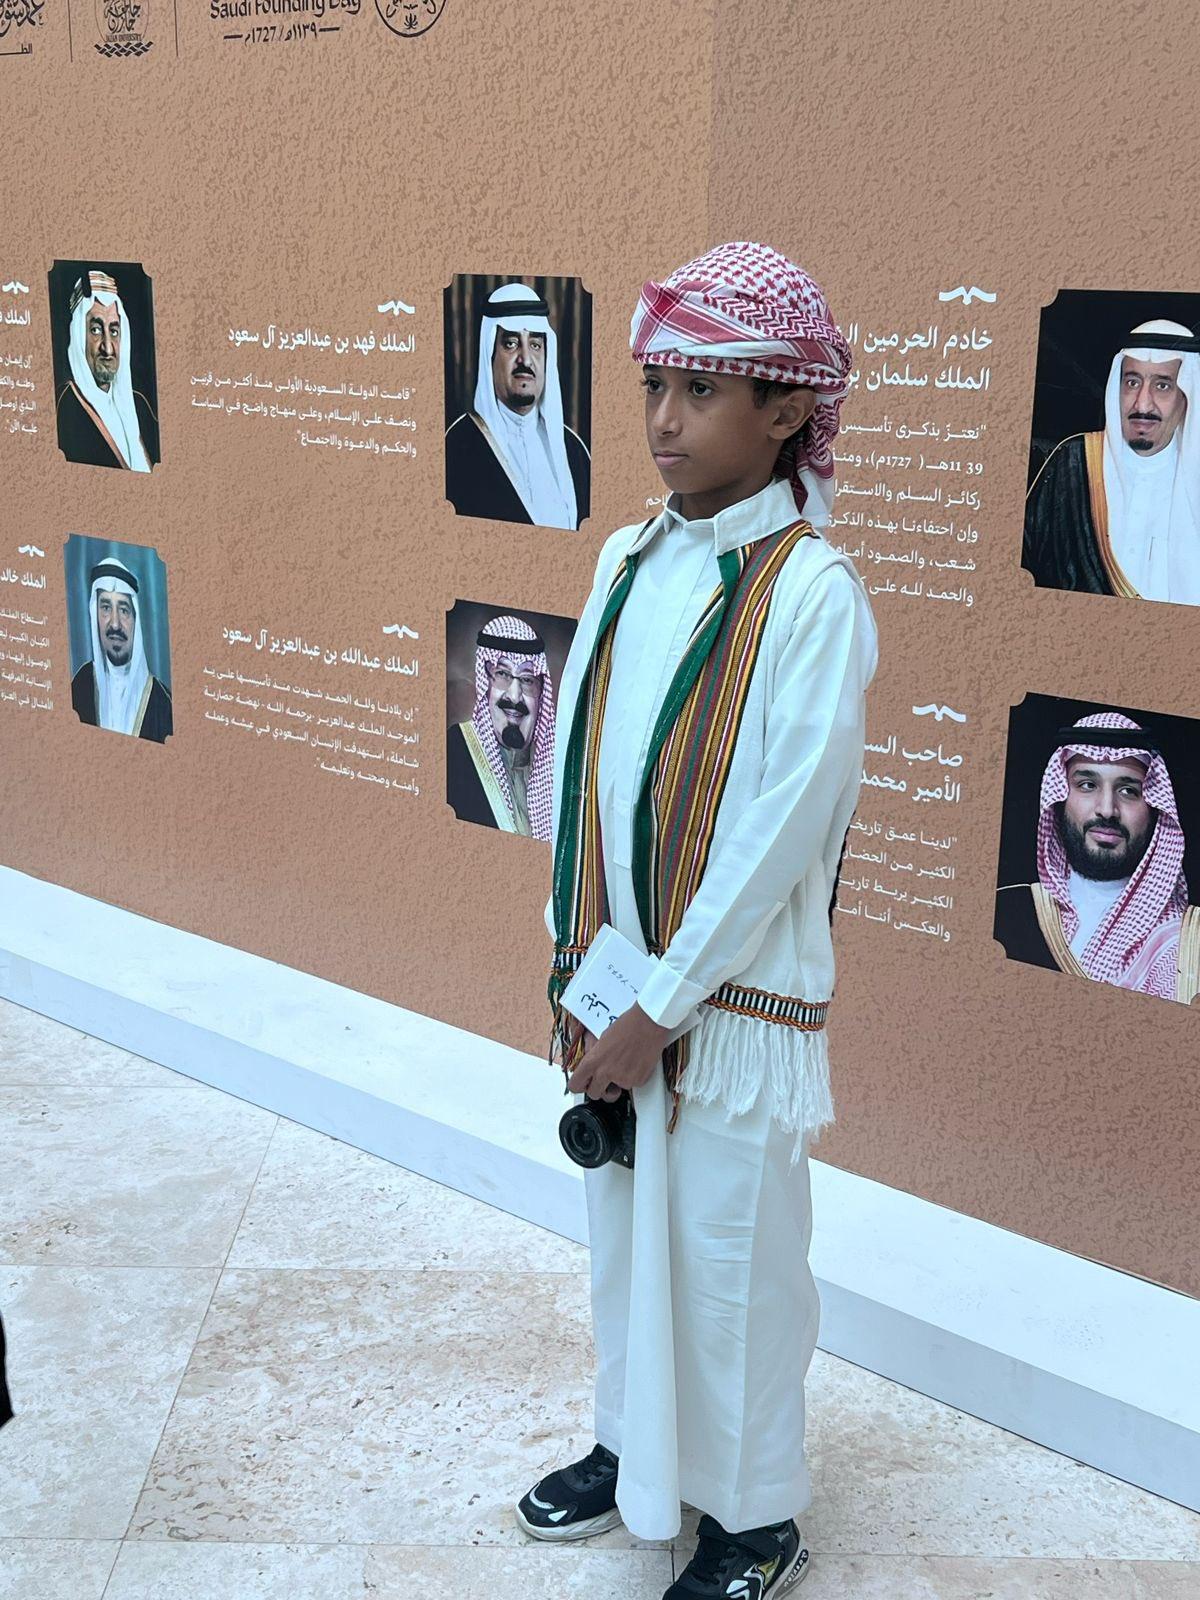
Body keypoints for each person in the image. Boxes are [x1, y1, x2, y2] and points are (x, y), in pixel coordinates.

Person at [514, 242, 877, 1599]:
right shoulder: (626, 556)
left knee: (734, 1264)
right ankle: (633, 1446)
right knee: (625, 1241)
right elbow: (586, 771)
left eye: (701, 390)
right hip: (620, 990)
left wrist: (663, 1005)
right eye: (654, 386)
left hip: (727, 1006)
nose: (664, 420)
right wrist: (591, 981)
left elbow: (781, 836)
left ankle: (756, 1516)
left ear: (785, 409)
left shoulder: (813, 596)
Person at [995, 712, 1200, 1002]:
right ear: (1060, 798)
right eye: (1088, 785)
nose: (1107, 809)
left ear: (1155, 808)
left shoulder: (1188, 943)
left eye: (1128, 791)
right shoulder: (1008, 911)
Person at [1023, 319, 1199, 604]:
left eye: (1163, 386)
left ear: (1187, 395)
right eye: (1132, 383)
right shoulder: (1073, 462)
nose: (1142, 404)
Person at [445, 281, 590, 528]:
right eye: (511, 344)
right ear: (490, 355)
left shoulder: (575, 450)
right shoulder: (459, 446)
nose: (526, 360)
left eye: (535, 345)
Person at [446, 613, 555, 838]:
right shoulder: (456, 751)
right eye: (502, 674)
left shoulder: (559, 768)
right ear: (485, 682)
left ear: (541, 692)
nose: (514, 695)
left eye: (527, 680)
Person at [55, 269, 157, 472]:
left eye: (114, 331)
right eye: (96, 330)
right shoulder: (66, 407)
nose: (108, 348)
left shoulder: (140, 405)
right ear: (79, 337)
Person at [70, 557, 173, 742]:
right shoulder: (81, 684)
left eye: (124, 610)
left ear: (135, 620)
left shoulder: (162, 702)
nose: (115, 624)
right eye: (106, 608)